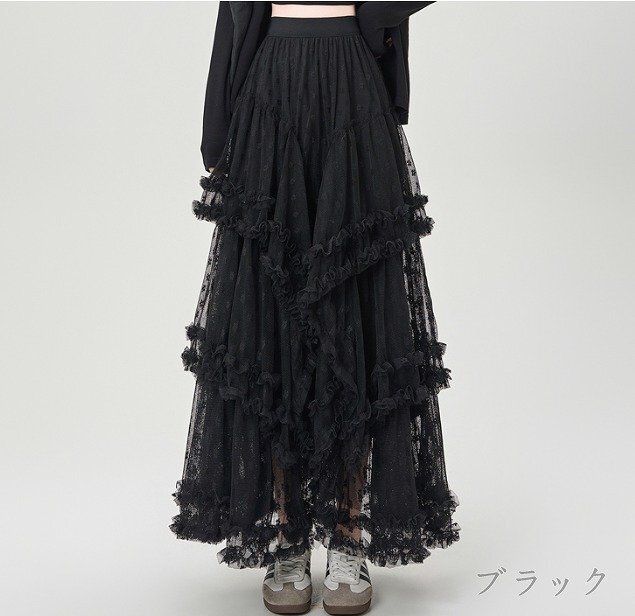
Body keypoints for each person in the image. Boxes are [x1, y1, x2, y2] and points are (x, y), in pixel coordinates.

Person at [170, 2, 460, 614]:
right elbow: (233, 14)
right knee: (272, 323)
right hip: (271, 89)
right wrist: (216, 124)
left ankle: (348, 535)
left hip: (352, 89)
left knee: (354, 315)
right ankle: (288, 535)